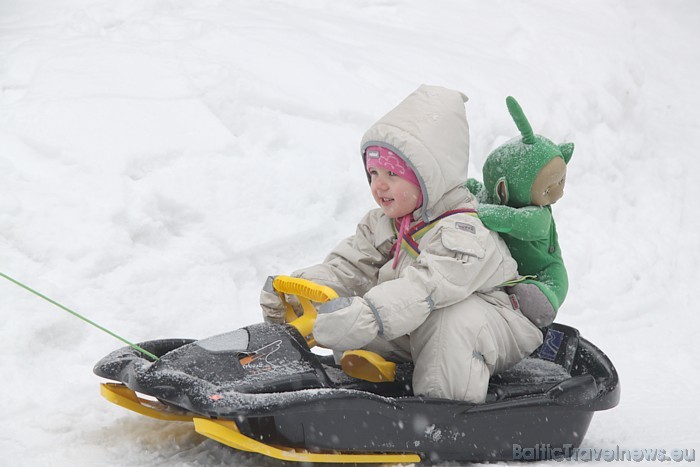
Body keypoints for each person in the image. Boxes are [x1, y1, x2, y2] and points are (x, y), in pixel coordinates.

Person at [260, 85, 543, 403]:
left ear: (429, 177)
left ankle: (443, 413)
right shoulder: (382, 223)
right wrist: (300, 292)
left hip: (493, 325)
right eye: (373, 173)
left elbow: (425, 288)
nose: (379, 185)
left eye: (392, 174)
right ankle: (382, 379)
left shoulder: (464, 231)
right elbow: (349, 268)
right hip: (417, 322)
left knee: (449, 321)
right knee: (352, 312)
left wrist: (368, 315)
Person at [467, 96, 573, 327]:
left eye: (561, 182)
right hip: (509, 271)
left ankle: (537, 298)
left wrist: (474, 211)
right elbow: (477, 190)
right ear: (503, 188)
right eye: (548, 189)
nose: (557, 195)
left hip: (544, 272)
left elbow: (511, 220)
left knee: (551, 288)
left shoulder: (538, 216)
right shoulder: (496, 197)